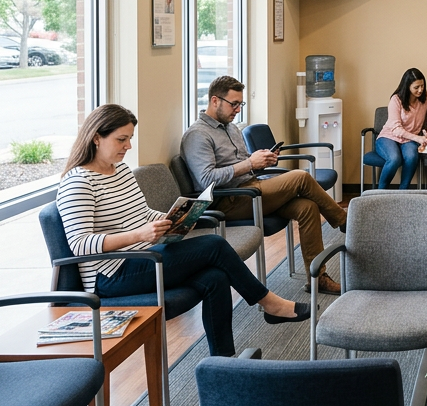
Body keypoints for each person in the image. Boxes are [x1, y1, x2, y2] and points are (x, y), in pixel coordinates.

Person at [57, 104, 309, 358]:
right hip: (111, 275)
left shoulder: (120, 170)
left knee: (214, 278)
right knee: (214, 245)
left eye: (130, 139)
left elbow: (142, 214)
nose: (128, 147)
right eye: (121, 140)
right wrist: (140, 235)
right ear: (96, 137)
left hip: (144, 256)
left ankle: (223, 363)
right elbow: (79, 244)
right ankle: (269, 304)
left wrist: (174, 218)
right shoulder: (79, 182)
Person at [180, 76, 348, 295]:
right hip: (227, 201)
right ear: (215, 101)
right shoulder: (197, 135)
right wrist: (249, 163)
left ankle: (318, 279)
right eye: (234, 104)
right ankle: (345, 222)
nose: (238, 110)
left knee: (307, 207)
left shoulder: (231, 128)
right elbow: (206, 180)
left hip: (251, 188)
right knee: (300, 177)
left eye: (241, 104)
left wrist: (260, 161)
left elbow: (243, 165)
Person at [377, 68, 427, 189]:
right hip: (389, 136)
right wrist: (418, 138)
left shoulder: (426, 99)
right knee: (394, 159)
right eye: (416, 87)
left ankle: (403, 192)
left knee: (412, 157)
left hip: (409, 140)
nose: (420, 90)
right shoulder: (396, 100)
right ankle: (380, 192)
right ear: (407, 86)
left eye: (422, 86)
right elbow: (396, 129)